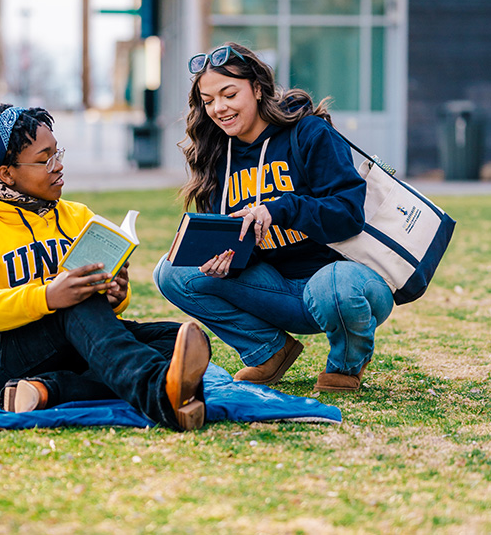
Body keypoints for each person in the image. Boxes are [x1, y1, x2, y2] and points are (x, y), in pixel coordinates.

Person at [0, 104, 210, 430]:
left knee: (176, 339)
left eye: (58, 153)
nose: (59, 166)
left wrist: (116, 295)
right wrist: (49, 297)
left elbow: (102, 315)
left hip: (64, 346)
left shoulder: (77, 216)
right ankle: (160, 396)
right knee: (77, 304)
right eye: (45, 160)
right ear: (6, 173)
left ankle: (47, 390)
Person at [153, 43, 394, 392]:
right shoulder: (217, 152)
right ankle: (269, 351)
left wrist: (280, 209)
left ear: (257, 88)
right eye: (208, 101)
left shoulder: (309, 133)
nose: (219, 108)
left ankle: (346, 364)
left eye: (229, 94)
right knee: (172, 271)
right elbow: (233, 240)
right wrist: (222, 256)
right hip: (275, 290)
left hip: (344, 282)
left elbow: (348, 214)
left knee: (334, 286)